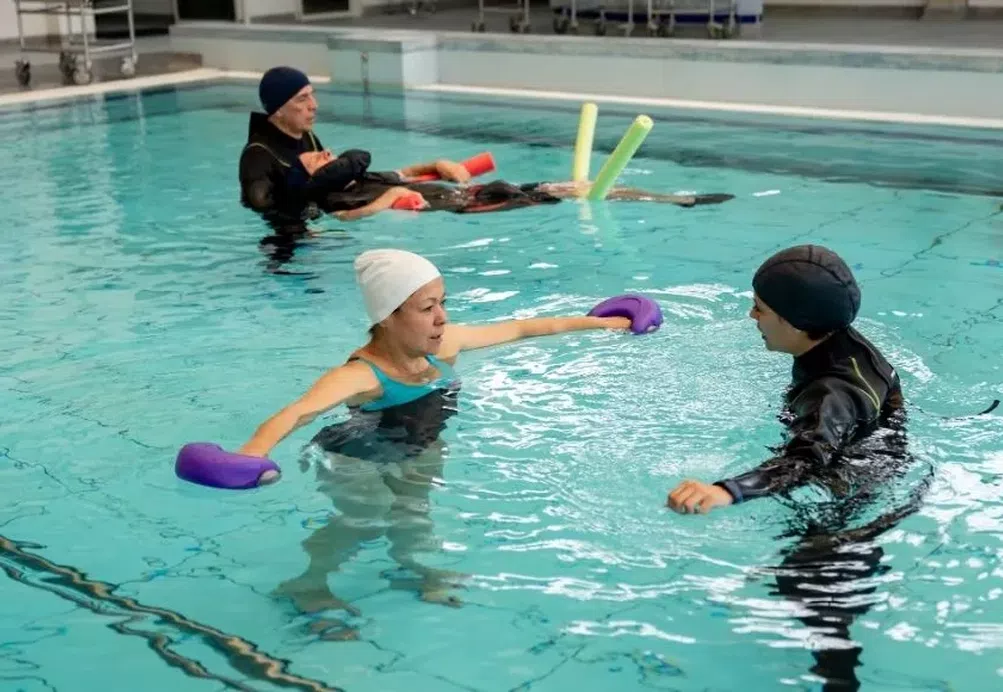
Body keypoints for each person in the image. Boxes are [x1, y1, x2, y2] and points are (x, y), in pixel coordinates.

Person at [237, 248, 652, 637]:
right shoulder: (361, 375)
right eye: (426, 307)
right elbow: (299, 411)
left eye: (442, 302)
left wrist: (604, 324)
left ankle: (410, 569)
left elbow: (524, 329)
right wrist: (252, 454)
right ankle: (307, 584)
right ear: (387, 317)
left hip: (419, 445)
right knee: (367, 516)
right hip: (353, 457)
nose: (441, 317)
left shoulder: (443, 345)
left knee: (414, 512)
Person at [666, 244, 921, 690]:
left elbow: (808, 457)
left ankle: (839, 679)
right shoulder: (844, 343)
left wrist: (728, 490)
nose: (751, 318)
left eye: (759, 309)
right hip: (875, 458)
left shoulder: (833, 392)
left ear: (797, 324)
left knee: (810, 590)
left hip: (853, 490)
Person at [237, 66, 471, 236]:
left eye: (312, 94)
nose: (314, 105)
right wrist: (385, 201)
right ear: (278, 111)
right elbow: (266, 207)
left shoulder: (305, 135)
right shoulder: (257, 157)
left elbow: (340, 182)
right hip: (296, 242)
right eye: (302, 99)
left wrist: (433, 167)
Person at [293, 152, 735, 221]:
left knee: (573, 184)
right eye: (315, 155)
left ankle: (671, 199)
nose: (323, 151)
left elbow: (415, 171)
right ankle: (678, 201)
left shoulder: (371, 175)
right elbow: (352, 219)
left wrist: (441, 163)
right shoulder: (337, 197)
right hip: (469, 207)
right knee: (573, 192)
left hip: (471, 191)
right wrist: (390, 199)